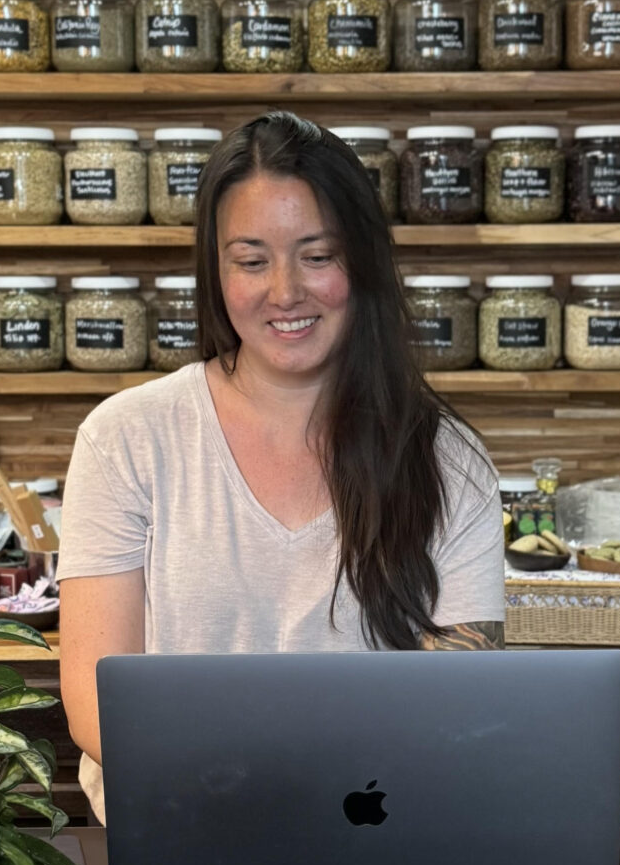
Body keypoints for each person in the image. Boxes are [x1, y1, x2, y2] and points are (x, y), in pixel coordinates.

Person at [58, 111, 505, 816]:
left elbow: (464, 705)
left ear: (362, 263)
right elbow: (93, 701)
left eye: (318, 255)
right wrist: (254, 788)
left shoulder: (448, 460)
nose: (286, 291)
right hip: (178, 830)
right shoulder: (126, 439)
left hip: (376, 834)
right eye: (252, 259)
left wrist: (321, 794)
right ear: (217, 271)